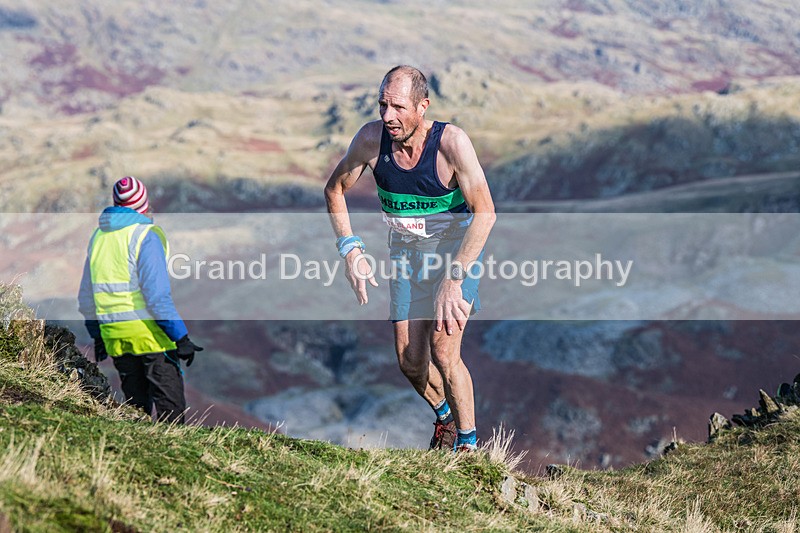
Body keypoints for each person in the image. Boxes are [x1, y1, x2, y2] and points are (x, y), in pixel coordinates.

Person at [325, 66, 496, 451]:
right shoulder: (371, 140)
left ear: (422, 106)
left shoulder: (452, 144)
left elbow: (485, 213)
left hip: (455, 254)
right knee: (409, 361)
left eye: (398, 107)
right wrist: (350, 249)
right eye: (382, 105)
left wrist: (454, 279)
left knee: (444, 351)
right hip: (406, 255)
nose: (388, 116)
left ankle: (468, 448)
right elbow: (334, 190)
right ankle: (445, 420)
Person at [78, 176, 203, 423]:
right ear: (143, 205)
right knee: (171, 413)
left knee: (135, 412)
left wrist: (98, 335)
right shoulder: (146, 236)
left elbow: (86, 296)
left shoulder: (98, 238)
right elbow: (156, 296)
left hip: (115, 336)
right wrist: (181, 337)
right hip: (149, 336)